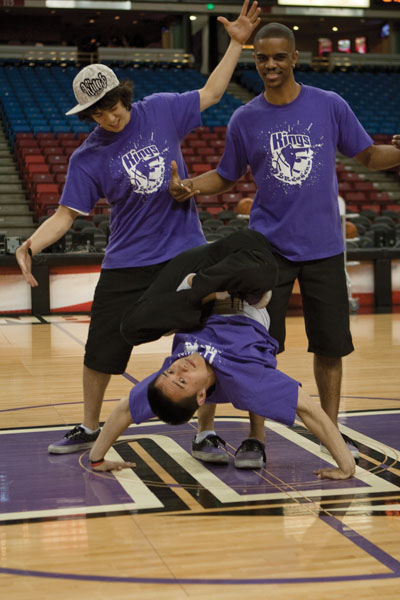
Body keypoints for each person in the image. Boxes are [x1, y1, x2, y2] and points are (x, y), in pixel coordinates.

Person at [15, 0, 261, 454]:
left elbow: (209, 92)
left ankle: (205, 429)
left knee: (202, 343)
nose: (109, 116)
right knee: (101, 348)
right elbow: (66, 214)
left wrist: (235, 45)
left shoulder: (162, 110)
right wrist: (31, 242)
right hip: (128, 259)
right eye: (97, 112)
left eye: (112, 105)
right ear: (88, 116)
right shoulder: (87, 157)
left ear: (123, 95)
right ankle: (90, 427)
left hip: (184, 251)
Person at [168, 22, 400, 461]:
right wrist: (192, 186)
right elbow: (226, 175)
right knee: (255, 347)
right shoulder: (246, 117)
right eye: (262, 58)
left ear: (295, 57)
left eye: (278, 57)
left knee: (330, 347)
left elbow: (369, 156)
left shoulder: (329, 105)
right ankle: (256, 436)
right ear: (255, 61)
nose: (270, 65)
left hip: (325, 249)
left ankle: (329, 432)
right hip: (267, 252)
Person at [86, 230, 356, 481]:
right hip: (242, 274)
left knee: (130, 328)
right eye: (183, 380)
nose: (178, 368)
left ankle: (203, 292)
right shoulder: (245, 379)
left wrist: (97, 459)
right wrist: (346, 465)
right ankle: (217, 290)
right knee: (263, 271)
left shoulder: (166, 387)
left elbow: (124, 410)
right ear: (201, 396)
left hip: (195, 279)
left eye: (170, 371)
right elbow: (308, 409)